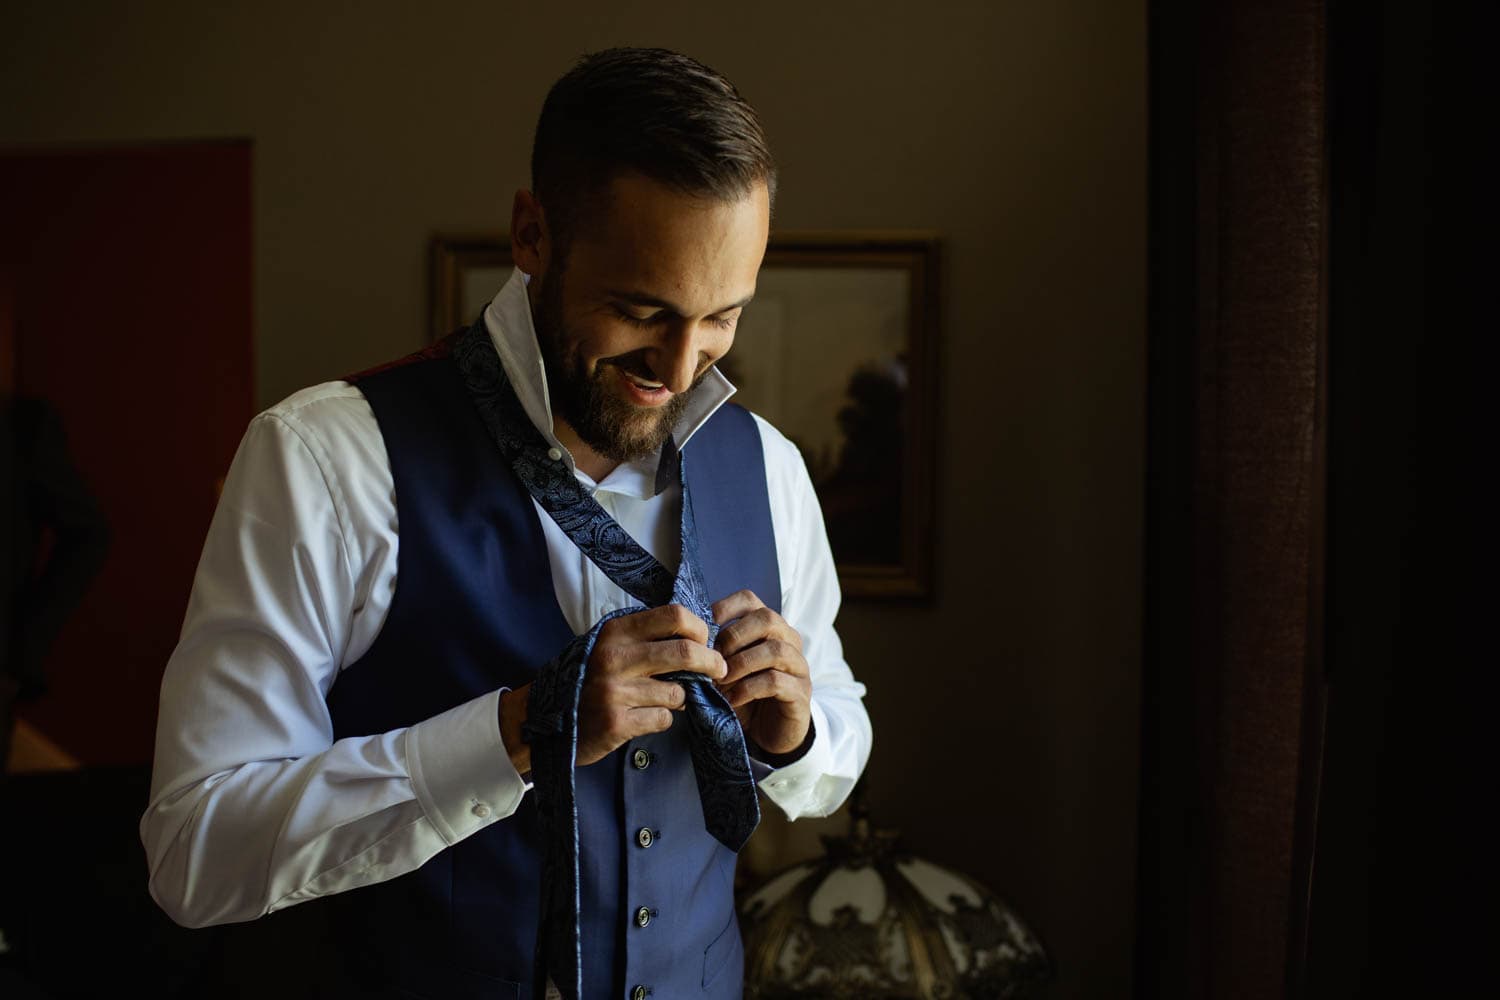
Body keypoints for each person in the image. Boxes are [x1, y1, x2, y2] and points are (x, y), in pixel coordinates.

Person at [140, 46, 871, 999]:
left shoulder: (767, 465)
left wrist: (797, 731)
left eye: (722, 318)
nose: (683, 366)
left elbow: (839, 748)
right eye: (639, 310)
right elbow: (196, 853)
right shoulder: (327, 459)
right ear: (531, 233)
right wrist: (518, 734)